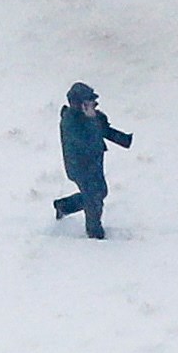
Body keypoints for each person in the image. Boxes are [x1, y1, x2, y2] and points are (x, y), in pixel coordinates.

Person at [53, 82, 132, 238]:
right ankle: (94, 232)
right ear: (79, 104)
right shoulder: (70, 121)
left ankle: (64, 206)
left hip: (93, 163)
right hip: (79, 166)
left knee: (99, 192)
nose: (94, 104)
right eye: (89, 101)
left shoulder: (88, 118)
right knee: (94, 197)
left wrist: (123, 139)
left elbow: (103, 131)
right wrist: (91, 120)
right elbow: (86, 141)